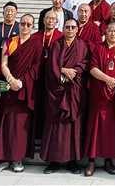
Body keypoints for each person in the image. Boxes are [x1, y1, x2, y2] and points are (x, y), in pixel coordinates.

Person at [0, 14, 43, 173]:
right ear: (18, 25)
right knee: (5, 123)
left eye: (29, 24)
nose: (25, 27)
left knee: (21, 125)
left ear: (33, 27)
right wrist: (11, 80)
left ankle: (17, 158)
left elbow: (37, 66)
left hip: (26, 89)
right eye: (23, 23)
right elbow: (4, 64)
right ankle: (2, 158)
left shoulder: (36, 44)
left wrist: (21, 82)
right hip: (9, 88)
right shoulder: (9, 42)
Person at [41, 18, 89, 175]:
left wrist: (73, 73)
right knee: (55, 126)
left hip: (74, 90)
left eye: (73, 27)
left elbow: (84, 64)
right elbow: (51, 65)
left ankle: (72, 162)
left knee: (73, 126)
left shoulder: (82, 45)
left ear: (77, 29)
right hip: (58, 90)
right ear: (63, 28)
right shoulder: (56, 44)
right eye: (67, 27)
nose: (70, 29)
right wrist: (63, 71)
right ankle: (53, 161)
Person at [84, 21, 115, 176]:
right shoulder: (98, 48)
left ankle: (108, 161)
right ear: (106, 32)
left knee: (111, 130)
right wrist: (107, 80)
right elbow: (92, 68)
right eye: (110, 31)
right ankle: (91, 161)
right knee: (95, 128)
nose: (113, 33)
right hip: (99, 94)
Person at [32, 10, 62, 141]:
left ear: (57, 22)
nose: (50, 21)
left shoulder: (61, 37)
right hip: (38, 75)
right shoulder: (35, 36)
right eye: (48, 18)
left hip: (53, 76)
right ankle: (37, 133)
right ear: (43, 20)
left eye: (53, 19)